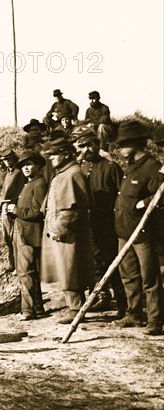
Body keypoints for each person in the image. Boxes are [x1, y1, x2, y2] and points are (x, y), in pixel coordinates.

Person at [112, 121, 164, 336]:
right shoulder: (131, 165)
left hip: (142, 234)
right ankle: (134, 314)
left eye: (123, 144)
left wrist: (142, 204)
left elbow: (160, 192)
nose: (120, 149)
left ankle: (155, 320)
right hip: (124, 231)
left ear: (135, 143)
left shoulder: (152, 166)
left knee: (149, 278)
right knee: (129, 275)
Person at [41, 137, 94, 324]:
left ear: (65, 154)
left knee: (71, 268)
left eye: (54, 154)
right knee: (66, 268)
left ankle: (76, 308)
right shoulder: (63, 173)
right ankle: (74, 306)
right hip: (61, 231)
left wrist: (58, 229)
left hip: (68, 233)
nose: (51, 158)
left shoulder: (72, 174)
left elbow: (73, 209)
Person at [75, 128, 126, 316]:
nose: (84, 150)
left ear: (95, 145)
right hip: (90, 223)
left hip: (108, 223)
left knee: (113, 261)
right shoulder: (83, 168)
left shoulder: (111, 167)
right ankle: (102, 297)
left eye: (87, 145)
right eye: (81, 146)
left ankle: (122, 302)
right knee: (95, 262)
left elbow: (122, 196)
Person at [7, 150, 48, 320]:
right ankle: (38, 308)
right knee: (29, 271)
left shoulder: (39, 184)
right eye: (23, 166)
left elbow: (38, 212)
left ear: (38, 166)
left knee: (25, 271)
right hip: (23, 230)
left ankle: (28, 310)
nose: (25, 168)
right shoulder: (29, 183)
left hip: (29, 233)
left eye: (29, 165)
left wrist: (16, 210)